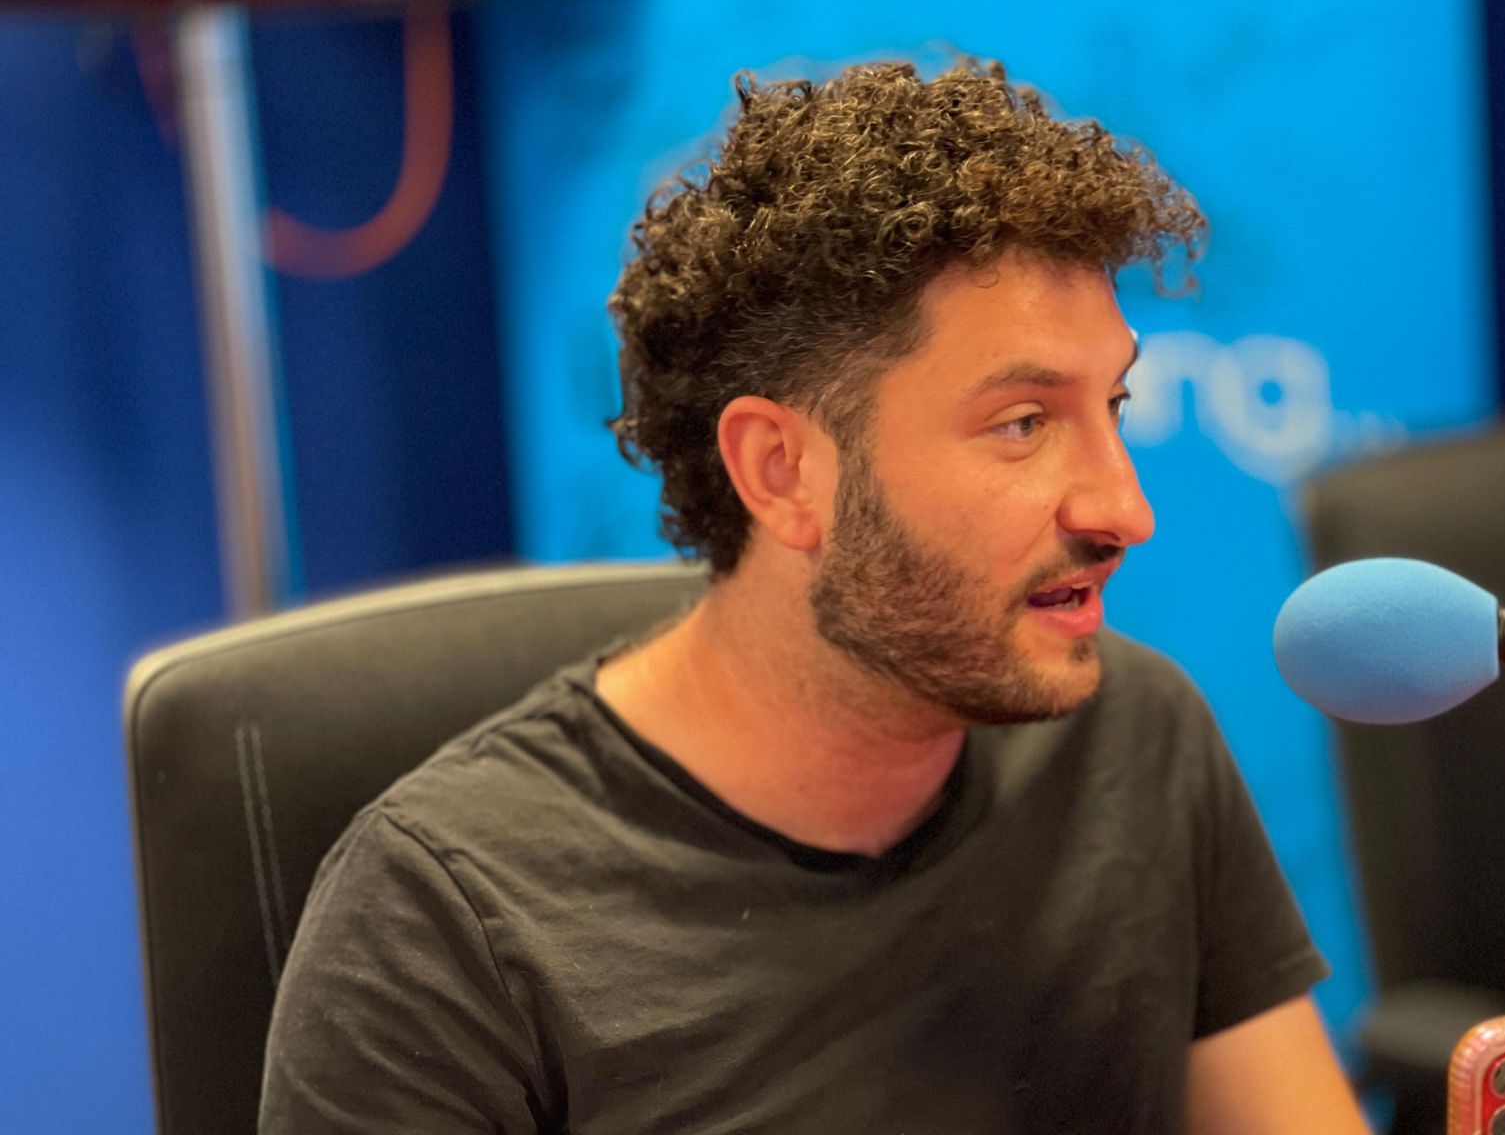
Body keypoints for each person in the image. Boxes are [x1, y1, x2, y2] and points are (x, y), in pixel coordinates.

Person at [260, 58, 1371, 1134]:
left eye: (1112, 406)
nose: (1123, 511)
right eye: (1023, 424)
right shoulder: (443, 923)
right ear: (782, 471)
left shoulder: (1132, 739)